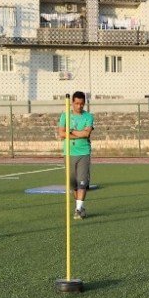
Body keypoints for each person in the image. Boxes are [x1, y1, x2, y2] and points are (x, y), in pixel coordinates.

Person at [56, 91, 94, 219]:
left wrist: (70, 131)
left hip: (84, 152)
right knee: (73, 185)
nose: (79, 106)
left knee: (82, 182)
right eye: (77, 103)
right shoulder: (65, 116)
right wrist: (78, 133)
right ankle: (79, 206)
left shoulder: (88, 117)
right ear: (72, 103)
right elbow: (61, 134)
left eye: (82, 104)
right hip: (69, 153)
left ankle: (78, 209)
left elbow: (86, 134)